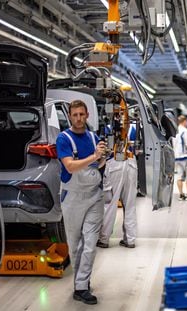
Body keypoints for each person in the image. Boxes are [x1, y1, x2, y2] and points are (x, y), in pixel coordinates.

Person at [56, 100, 106, 305]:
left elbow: (99, 164)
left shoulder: (94, 138)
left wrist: (103, 157)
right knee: (75, 245)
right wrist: (93, 156)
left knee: (90, 244)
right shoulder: (63, 139)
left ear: (87, 115)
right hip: (73, 198)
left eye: (81, 114)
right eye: (74, 115)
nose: (78, 118)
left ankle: (82, 285)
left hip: (95, 196)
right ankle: (80, 283)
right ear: (70, 116)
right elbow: (69, 167)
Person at [97, 122, 138, 249]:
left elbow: (103, 150)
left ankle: (104, 239)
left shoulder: (108, 128)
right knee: (130, 204)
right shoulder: (134, 128)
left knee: (110, 203)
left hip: (114, 163)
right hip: (131, 163)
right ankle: (130, 239)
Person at [173, 115, 187, 200]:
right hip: (186, 157)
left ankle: (181, 194)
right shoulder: (185, 131)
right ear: (184, 121)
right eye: (186, 121)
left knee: (179, 176)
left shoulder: (175, 131)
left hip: (177, 157)